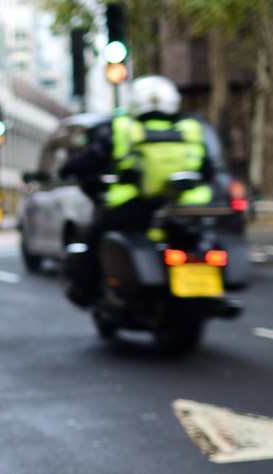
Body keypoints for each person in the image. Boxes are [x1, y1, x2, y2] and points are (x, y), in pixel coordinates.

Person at [60, 75, 214, 306]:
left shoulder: (124, 129)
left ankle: (85, 291)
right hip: (186, 209)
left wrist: (66, 168)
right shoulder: (190, 128)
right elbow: (209, 169)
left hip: (135, 209)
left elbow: (90, 160)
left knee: (96, 236)